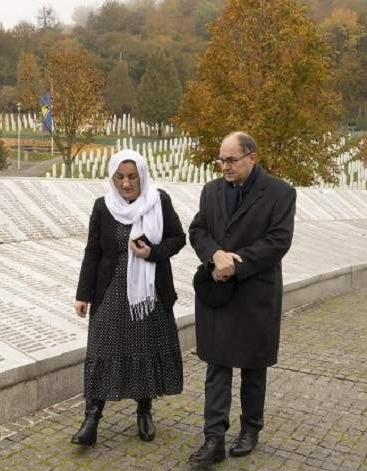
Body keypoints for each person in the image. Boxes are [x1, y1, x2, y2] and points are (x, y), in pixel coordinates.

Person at [187, 131, 296, 466]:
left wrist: (235, 262)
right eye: (221, 159)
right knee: (217, 366)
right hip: (218, 291)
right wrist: (214, 254)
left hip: (254, 292)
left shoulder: (280, 193)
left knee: (253, 366)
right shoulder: (211, 191)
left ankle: (250, 429)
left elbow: (279, 240)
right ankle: (214, 439)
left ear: (252, 157)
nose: (224, 166)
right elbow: (198, 230)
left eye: (231, 160)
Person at [72, 149, 186, 446]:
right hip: (110, 289)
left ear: (142, 176)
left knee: (145, 346)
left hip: (149, 292)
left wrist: (153, 252)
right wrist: (83, 294)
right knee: (102, 348)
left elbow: (178, 238)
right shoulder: (103, 206)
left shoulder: (158, 201)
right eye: (120, 177)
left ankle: (144, 411)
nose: (126, 184)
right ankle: (91, 419)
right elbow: (92, 251)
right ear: (112, 177)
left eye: (132, 177)